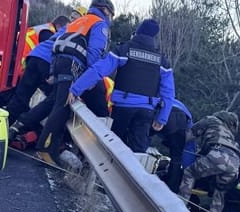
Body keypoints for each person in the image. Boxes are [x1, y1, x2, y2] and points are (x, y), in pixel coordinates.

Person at [69, 18, 176, 154]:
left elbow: (98, 70)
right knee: (137, 152)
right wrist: (162, 117)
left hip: (123, 107)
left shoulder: (124, 50)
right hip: (146, 111)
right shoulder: (162, 61)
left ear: (138, 32)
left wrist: (76, 89)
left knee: (112, 146)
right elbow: (168, 92)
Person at [32, 0, 114, 165]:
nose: (111, 19)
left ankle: (43, 144)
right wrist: (89, 77)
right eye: (111, 15)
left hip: (60, 62)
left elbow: (57, 43)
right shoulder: (100, 24)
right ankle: (45, 149)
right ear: (105, 10)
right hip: (74, 66)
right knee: (62, 106)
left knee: (56, 103)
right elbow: (95, 51)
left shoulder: (78, 21)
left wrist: (53, 71)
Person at [177, 111, 240, 212]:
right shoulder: (230, 136)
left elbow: (188, 135)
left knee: (189, 173)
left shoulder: (211, 120)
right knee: (220, 195)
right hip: (235, 163)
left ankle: (179, 209)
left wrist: (175, 145)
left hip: (218, 155)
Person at [6, 15, 70, 123]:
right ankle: (24, 125)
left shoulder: (57, 29)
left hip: (31, 58)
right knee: (53, 97)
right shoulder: (48, 31)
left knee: (20, 97)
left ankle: (4, 126)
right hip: (43, 62)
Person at [152, 99, 193, 192]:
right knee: (176, 158)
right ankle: (171, 189)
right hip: (182, 119)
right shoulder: (190, 128)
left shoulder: (165, 98)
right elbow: (189, 149)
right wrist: (186, 169)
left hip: (163, 112)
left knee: (141, 138)